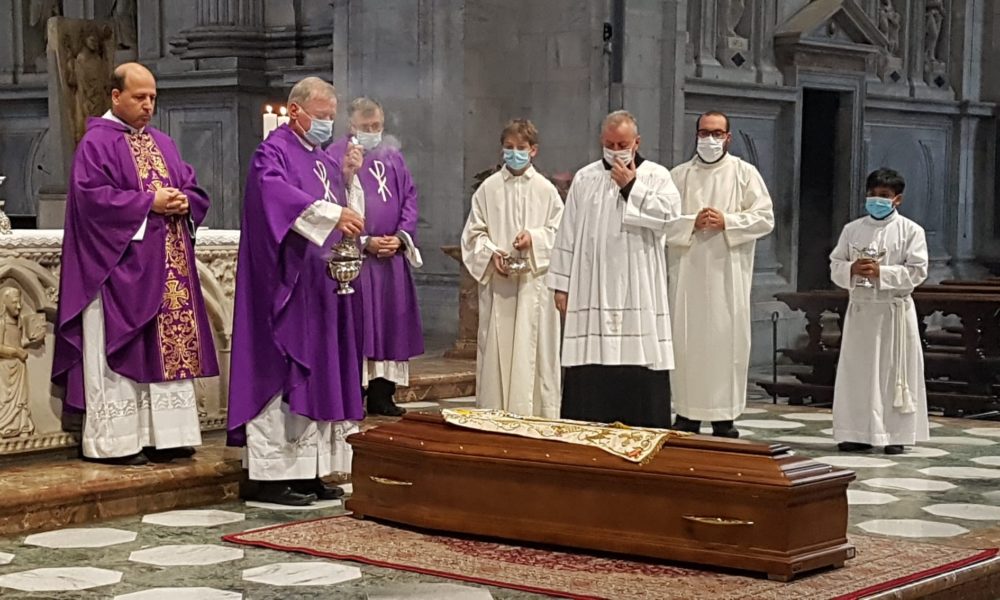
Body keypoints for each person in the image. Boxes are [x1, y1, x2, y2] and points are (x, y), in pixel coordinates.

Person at [52, 62, 219, 466]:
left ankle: (167, 436)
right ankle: (117, 441)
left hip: (168, 269)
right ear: (115, 96)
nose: (148, 106)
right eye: (139, 97)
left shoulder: (162, 142)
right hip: (118, 272)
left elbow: (190, 184)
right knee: (121, 351)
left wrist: (184, 201)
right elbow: (91, 201)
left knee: (166, 348)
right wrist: (149, 204)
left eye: (153, 99)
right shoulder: (96, 143)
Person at [227, 77, 366, 506]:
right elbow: (275, 198)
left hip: (320, 286)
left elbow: (343, 209)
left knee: (320, 373)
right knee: (286, 372)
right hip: (283, 287)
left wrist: (347, 184)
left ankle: (311, 471)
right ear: (296, 110)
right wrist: (330, 213)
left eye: (330, 117)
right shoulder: (272, 153)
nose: (327, 124)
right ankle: (272, 476)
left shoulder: (323, 161)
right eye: (321, 116)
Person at [546, 110, 680, 428]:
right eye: (609, 143)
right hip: (592, 285)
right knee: (591, 370)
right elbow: (568, 232)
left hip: (640, 287)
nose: (616, 150)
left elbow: (671, 219)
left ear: (637, 142)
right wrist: (561, 284)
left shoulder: (657, 176)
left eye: (622, 143)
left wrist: (632, 186)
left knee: (640, 366)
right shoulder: (586, 178)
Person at [667, 111, 774, 438]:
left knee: (725, 342)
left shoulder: (744, 174)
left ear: (728, 137)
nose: (709, 140)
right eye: (703, 133)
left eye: (716, 134)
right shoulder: (678, 176)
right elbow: (659, 223)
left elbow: (765, 218)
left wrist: (727, 221)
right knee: (686, 342)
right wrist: (690, 223)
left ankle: (724, 417)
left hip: (728, 276)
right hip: (687, 276)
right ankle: (686, 412)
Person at [327, 97, 423, 417]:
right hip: (358, 257)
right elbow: (331, 200)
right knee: (362, 325)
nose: (373, 132)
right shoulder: (336, 155)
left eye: (377, 126)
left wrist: (399, 237)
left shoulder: (392, 156)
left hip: (391, 258)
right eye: (366, 127)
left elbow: (409, 196)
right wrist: (364, 240)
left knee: (390, 324)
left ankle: (384, 394)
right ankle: (355, 392)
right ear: (351, 125)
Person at [461, 119, 563, 417]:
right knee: (497, 351)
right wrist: (491, 254)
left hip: (535, 286)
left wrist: (535, 237)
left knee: (535, 354)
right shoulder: (488, 189)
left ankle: (537, 417)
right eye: (509, 148)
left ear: (534, 151)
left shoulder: (547, 191)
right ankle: (494, 415)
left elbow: (561, 233)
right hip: (499, 286)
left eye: (521, 148)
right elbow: (473, 234)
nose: (514, 153)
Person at [830, 168, 929, 455]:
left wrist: (881, 273)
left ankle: (895, 433)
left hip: (893, 312)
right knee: (857, 372)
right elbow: (836, 262)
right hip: (862, 310)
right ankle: (856, 432)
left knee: (894, 372)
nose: (876, 200)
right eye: (872, 195)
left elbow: (918, 271)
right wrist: (851, 269)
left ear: (897, 199)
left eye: (884, 196)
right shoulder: (853, 229)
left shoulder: (911, 231)